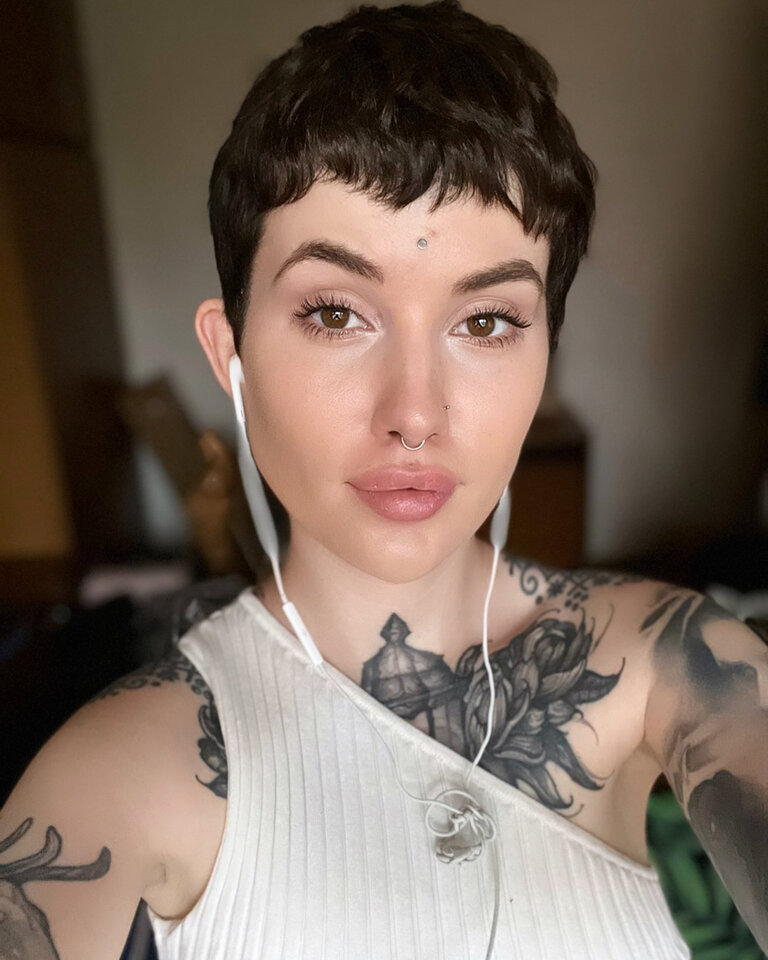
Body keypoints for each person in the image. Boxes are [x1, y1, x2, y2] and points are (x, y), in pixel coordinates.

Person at [1, 2, 766, 958]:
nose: (415, 412)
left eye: (486, 322)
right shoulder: (118, 779)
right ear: (231, 355)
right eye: (335, 313)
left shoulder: (669, 661)